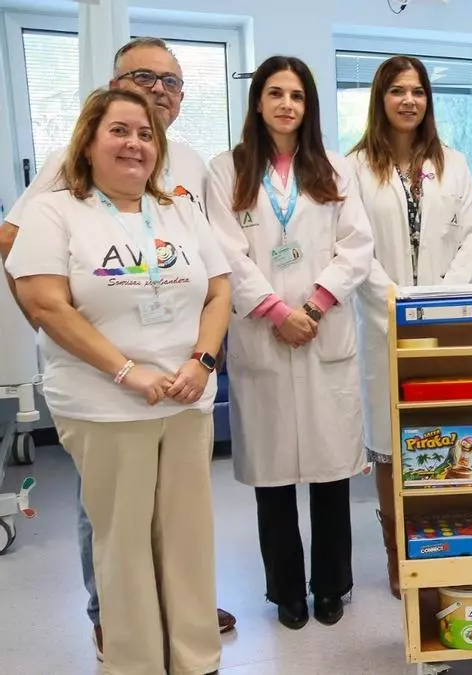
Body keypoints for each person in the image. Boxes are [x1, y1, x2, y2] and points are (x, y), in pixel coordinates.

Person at [0, 36, 236, 658]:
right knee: (122, 541)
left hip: (185, 398)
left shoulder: (178, 208)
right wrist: (124, 369)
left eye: (145, 135)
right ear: (89, 141)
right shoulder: (56, 210)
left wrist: (202, 361)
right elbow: (45, 302)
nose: (136, 142)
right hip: (106, 403)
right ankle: (133, 659)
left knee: (188, 537)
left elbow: (219, 289)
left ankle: (195, 657)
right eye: (120, 131)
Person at [205, 55, 374, 630]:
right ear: (258, 101)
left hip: (323, 331)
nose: (286, 104)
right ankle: (286, 592)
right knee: (273, 481)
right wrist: (277, 311)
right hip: (264, 333)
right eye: (275, 93)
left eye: (297, 96)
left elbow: (357, 246)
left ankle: (330, 586)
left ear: (309, 106)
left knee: (330, 475)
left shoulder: (334, 168)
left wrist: (314, 305)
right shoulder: (225, 170)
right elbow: (225, 251)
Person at [347, 54, 472, 598]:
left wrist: (440, 301)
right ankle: (397, 552)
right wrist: (399, 303)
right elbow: (354, 246)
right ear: (380, 99)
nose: (409, 100)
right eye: (397, 90)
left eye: (418, 91)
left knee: (446, 434)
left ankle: (446, 541)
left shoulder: (454, 163)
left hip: (446, 322)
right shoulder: (354, 167)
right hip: (382, 321)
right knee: (389, 442)